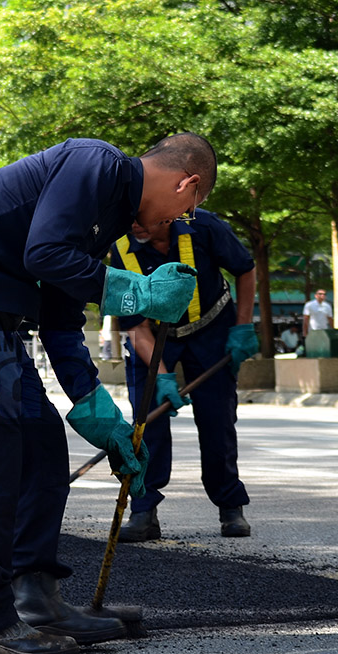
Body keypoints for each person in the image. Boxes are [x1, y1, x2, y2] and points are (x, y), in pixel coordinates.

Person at [0, 133, 211, 654]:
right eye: (186, 211)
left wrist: (100, 414)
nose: (176, 223)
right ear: (186, 183)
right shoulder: (95, 163)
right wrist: (139, 292)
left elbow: (61, 323)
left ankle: (34, 600)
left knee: (39, 445)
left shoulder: (105, 214)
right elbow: (45, 254)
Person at [110, 213, 258, 543]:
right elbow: (134, 323)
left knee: (216, 419)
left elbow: (245, 268)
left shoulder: (205, 227)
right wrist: (161, 377)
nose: (134, 225)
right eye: (129, 217)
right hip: (152, 336)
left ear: (164, 213)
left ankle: (230, 504)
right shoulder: (121, 245)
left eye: (142, 218)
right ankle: (144, 511)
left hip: (213, 330)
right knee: (147, 423)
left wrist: (243, 326)